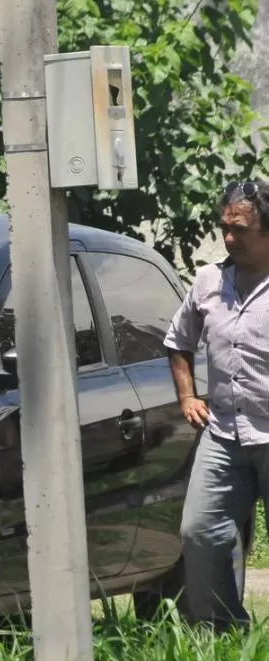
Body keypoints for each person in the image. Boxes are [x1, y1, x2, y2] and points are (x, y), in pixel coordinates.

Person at [164, 179, 269, 632]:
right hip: (223, 434)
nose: (229, 237)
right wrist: (187, 395)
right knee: (198, 532)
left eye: (240, 228)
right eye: (224, 227)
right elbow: (178, 341)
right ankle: (225, 634)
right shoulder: (209, 281)